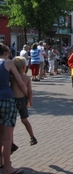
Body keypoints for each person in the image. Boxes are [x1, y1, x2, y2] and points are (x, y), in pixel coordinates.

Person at [0, 43, 27, 174]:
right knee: (7, 137)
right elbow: (20, 81)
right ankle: (7, 168)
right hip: (6, 100)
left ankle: (1, 163)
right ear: (5, 53)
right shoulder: (8, 62)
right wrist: (27, 94)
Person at [11, 56, 37, 146]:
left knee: (11, 123)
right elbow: (30, 91)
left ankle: (11, 141)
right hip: (23, 100)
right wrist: (30, 99)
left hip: (14, 101)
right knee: (25, 120)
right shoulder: (26, 78)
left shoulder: (12, 77)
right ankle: (32, 137)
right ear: (23, 67)